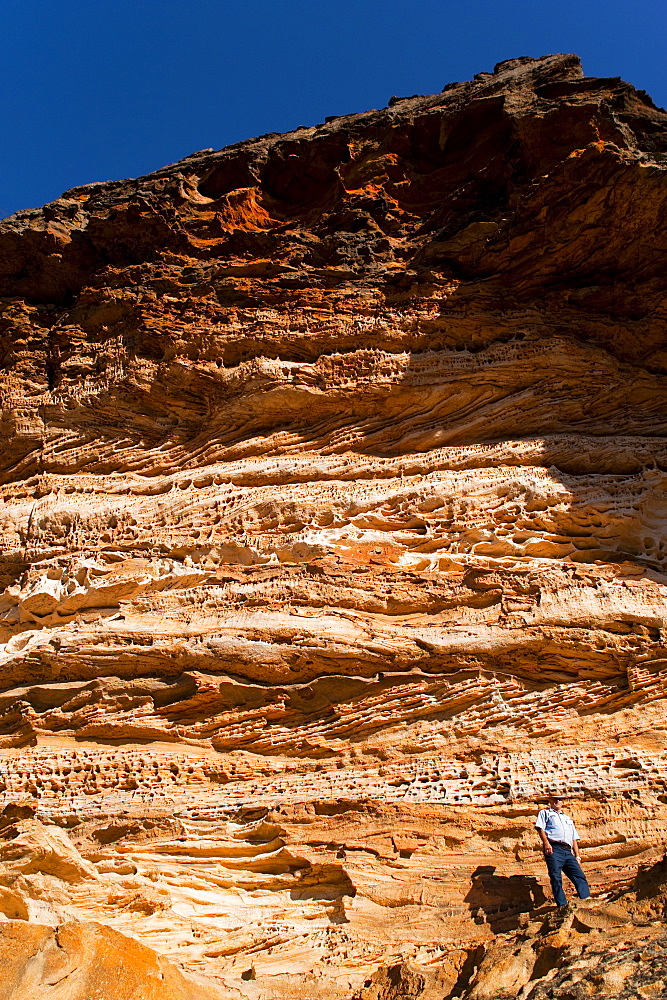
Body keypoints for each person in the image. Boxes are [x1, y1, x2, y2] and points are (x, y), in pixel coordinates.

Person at [535, 794, 591, 908]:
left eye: (560, 799)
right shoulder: (545, 813)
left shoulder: (567, 819)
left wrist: (578, 856)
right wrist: (546, 843)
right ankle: (562, 905)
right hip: (554, 849)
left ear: (562, 802)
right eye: (555, 799)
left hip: (567, 850)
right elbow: (540, 828)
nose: (557, 801)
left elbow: (574, 838)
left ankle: (586, 899)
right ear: (550, 801)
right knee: (556, 877)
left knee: (579, 875)